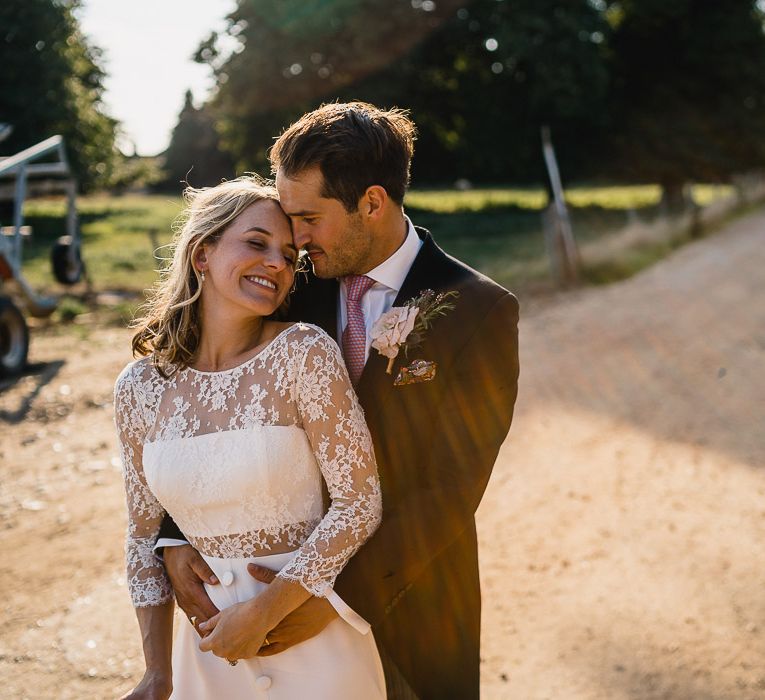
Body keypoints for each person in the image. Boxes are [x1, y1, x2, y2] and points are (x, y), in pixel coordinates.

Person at [160, 102, 520, 699]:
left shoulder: (478, 311)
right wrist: (172, 535)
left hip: (408, 607)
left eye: (306, 218)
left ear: (372, 203)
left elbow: (450, 488)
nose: (292, 242)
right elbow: (211, 401)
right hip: (262, 610)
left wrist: (335, 600)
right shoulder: (282, 289)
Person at [114, 176, 386, 699]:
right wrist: (157, 671)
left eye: (288, 254)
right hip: (208, 656)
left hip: (309, 639)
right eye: (256, 243)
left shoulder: (304, 352)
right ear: (202, 255)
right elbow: (141, 536)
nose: (278, 264)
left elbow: (359, 502)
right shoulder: (139, 389)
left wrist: (266, 610)